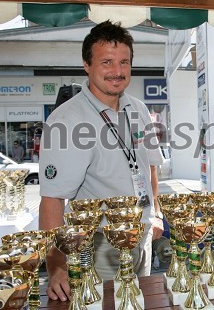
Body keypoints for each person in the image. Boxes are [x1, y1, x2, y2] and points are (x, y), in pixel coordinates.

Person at [39, 21, 165, 302]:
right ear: (86, 65)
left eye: (124, 62)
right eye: (106, 62)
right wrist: (57, 266)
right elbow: (52, 200)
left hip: (142, 235)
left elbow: (149, 167)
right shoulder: (65, 120)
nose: (117, 72)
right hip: (99, 245)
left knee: (140, 303)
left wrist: (154, 213)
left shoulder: (139, 109)